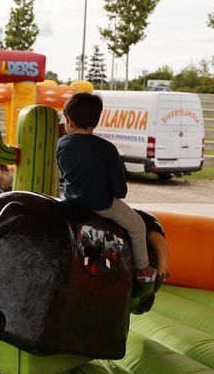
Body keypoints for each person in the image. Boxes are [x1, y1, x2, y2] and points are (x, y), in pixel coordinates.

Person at [56, 92, 156, 283]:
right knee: (138, 226)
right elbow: (120, 191)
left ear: (69, 120)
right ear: (96, 121)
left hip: (72, 203)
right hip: (102, 206)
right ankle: (143, 269)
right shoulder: (108, 149)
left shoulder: (61, 144)